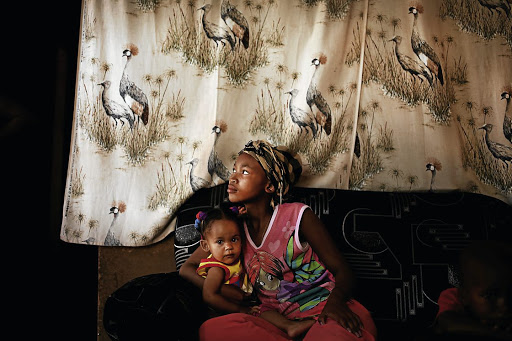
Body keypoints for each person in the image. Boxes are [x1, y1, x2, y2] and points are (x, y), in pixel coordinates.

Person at [180, 139, 377, 341]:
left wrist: (334, 304)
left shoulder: (298, 216)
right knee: (212, 330)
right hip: (279, 325)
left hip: (326, 312)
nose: (233, 177)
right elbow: (188, 267)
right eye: (234, 170)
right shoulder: (233, 229)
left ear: (269, 186)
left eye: (244, 172)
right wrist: (218, 289)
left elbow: (344, 271)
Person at [189, 204, 317, 337]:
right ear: (205, 245)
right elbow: (209, 296)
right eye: (220, 242)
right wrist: (240, 309)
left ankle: (290, 326)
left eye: (234, 239)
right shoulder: (217, 268)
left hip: (249, 307)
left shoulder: (238, 259)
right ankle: (289, 327)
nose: (228, 247)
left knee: (264, 311)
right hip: (225, 313)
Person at [433, 240, 511, 340]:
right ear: (464, 295)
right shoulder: (453, 296)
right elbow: (448, 323)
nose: (504, 305)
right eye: (490, 294)